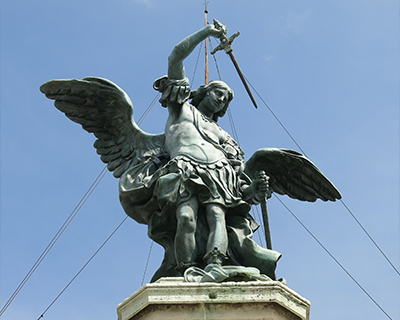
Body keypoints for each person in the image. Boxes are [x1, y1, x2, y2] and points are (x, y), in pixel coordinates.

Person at [150, 22, 272, 275]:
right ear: (205, 91)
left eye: (226, 99)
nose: (221, 99)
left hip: (219, 173)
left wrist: (254, 190)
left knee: (218, 217)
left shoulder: (224, 136)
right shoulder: (181, 107)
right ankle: (186, 270)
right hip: (185, 168)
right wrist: (207, 33)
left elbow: (242, 187)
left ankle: (215, 265)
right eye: (218, 93)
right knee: (185, 219)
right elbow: (175, 55)